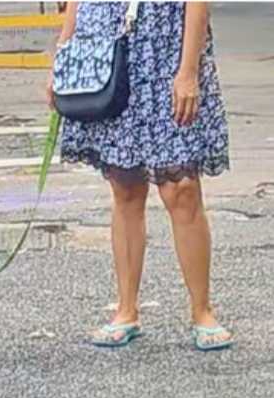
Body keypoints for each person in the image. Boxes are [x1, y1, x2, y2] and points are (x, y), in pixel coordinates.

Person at [47, 2, 233, 350]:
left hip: (167, 52)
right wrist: (63, 52)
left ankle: (202, 311)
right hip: (107, 50)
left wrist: (189, 71)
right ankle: (126, 311)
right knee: (125, 188)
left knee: (182, 189)